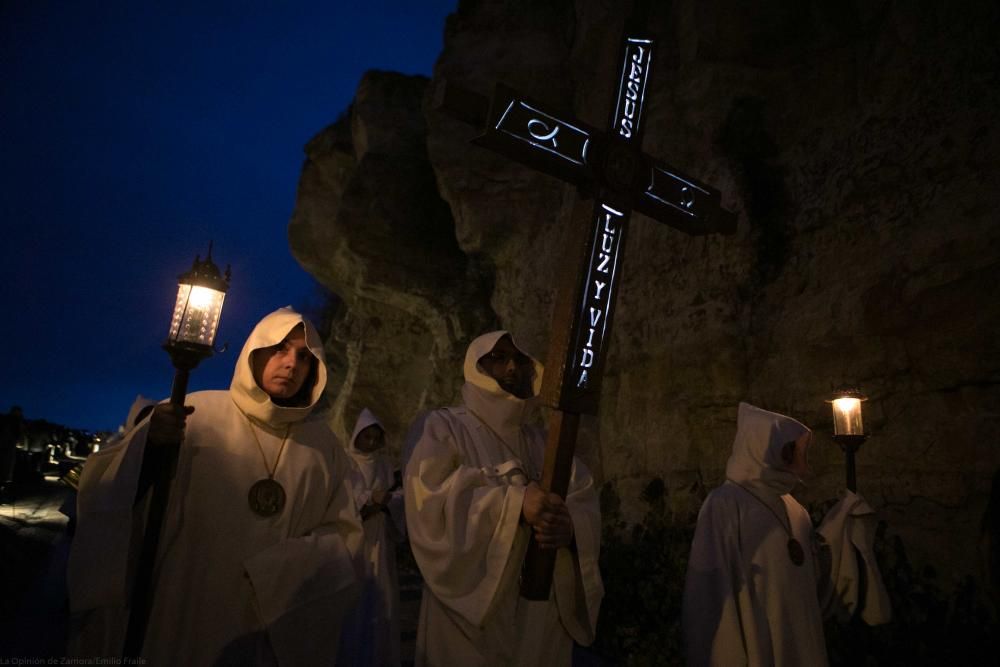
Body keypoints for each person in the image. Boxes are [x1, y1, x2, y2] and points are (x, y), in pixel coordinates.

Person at [67, 306, 363, 666]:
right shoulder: (194, 413)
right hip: (182, 601)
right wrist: (150, 448)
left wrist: (281, 572)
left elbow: (345, 535)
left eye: (303, 356)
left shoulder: (324, 447)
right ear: (254, 351)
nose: (291, 363)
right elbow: (110, 490)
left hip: (268, 619)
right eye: (279, 349)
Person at [404, 330, 603, 667]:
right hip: (470, 620)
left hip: (542, 616)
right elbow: (429, 506)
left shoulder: (545, 441)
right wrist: (514, 505)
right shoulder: (444, 427)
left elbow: (583, 497)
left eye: (518, 359)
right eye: (497, 358)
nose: (511, 367)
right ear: (475, 366)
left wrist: (569, 527)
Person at [682, 402, 891, 666]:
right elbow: (710, 595)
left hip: (801, 640)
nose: (795, 459)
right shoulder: (725, 505)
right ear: (762, 448)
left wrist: (843, 521)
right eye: (790, 450)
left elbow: (810, 573)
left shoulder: (795, 510)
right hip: (760, 645)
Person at [338, 408, 406, 666]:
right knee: (356, 601)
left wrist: (388, 501)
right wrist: (369, 501)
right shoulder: (346, 462)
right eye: (367, 437)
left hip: (381, 539)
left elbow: (395, 495)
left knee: (383, 595)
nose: (371, 443)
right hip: (357, 540)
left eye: (376, 438)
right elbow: (346, 499)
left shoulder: (384, 465)